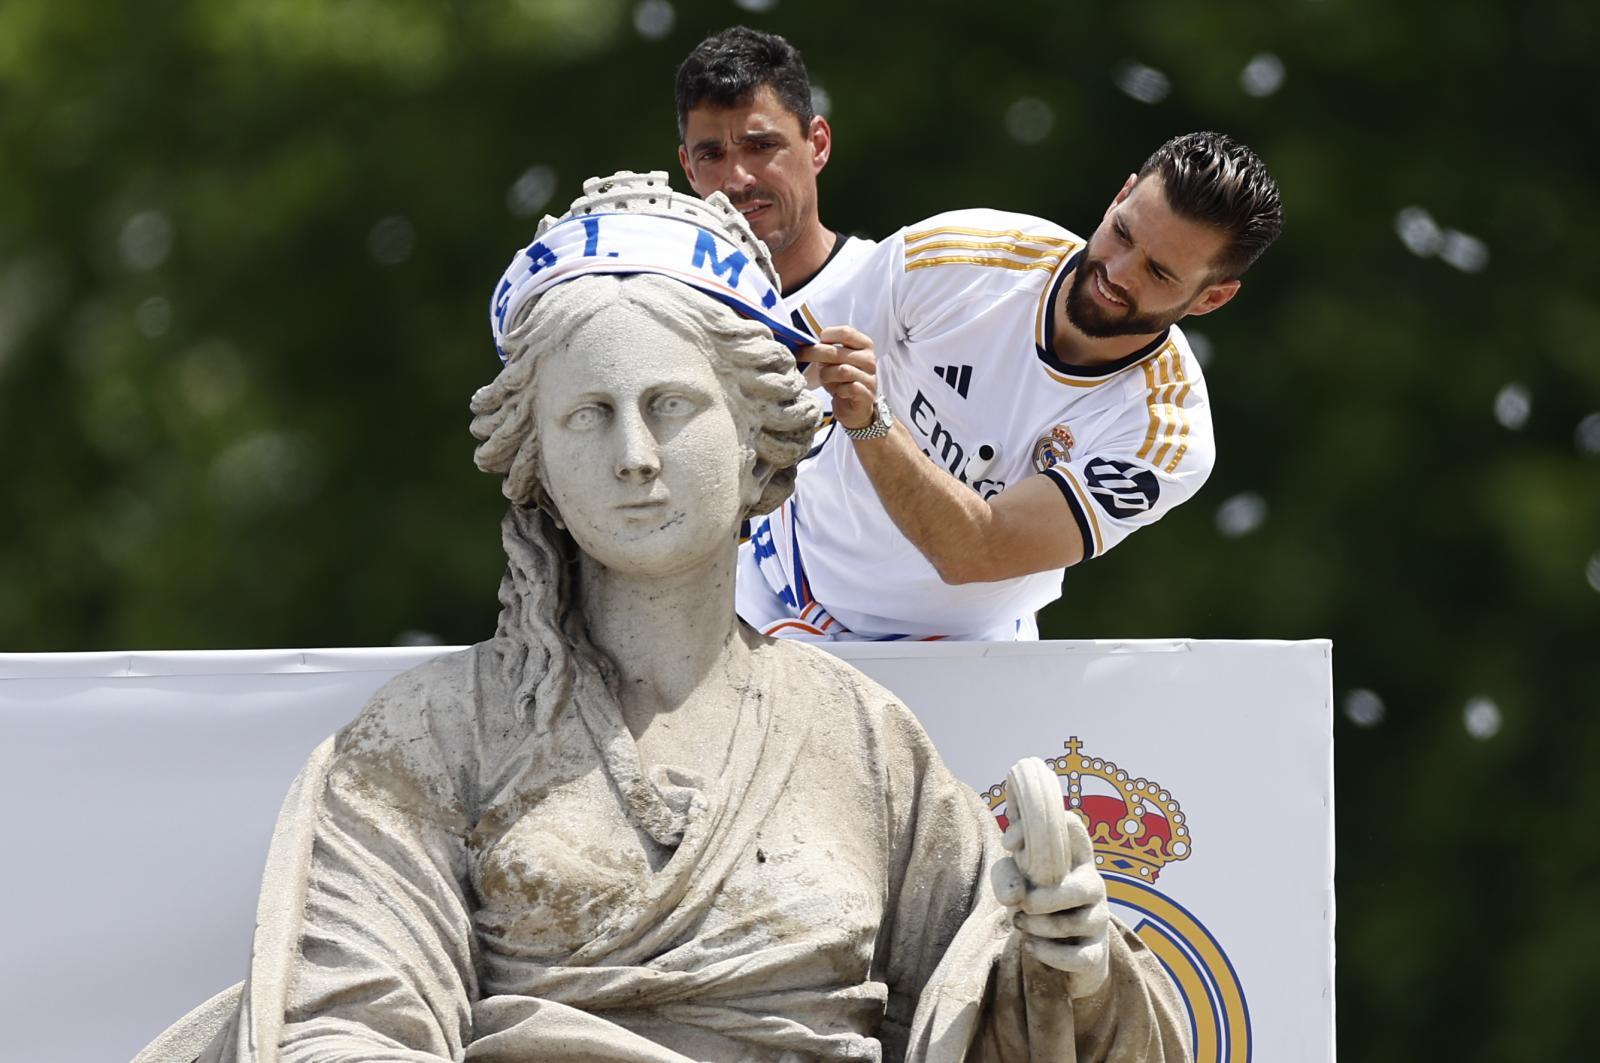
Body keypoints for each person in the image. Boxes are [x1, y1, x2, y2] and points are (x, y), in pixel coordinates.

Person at [170, 174, 1189, 1062]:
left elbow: (1004, 1022)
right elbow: (345, 1026)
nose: (634, 456)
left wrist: (1069, 968)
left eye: (670, 406)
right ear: (536, 463)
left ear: (758, 437)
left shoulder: (868, 747)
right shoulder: (427, 738)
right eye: (586, 414)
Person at [736, 131, 1284, 640]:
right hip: (770, 576)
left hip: (962, 659)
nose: (1118, 273)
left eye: (1160, 273)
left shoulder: (1168, 434)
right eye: (1122, 234)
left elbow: (974, 552)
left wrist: (872, 423)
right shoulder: (962, 253)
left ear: (1213, 298)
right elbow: (760, 365)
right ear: (1121, 196)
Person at [674, 26, 875, 323]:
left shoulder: (893, 290)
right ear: (689, 169)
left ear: (817, 144)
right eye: (712, 156)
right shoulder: (672, 317)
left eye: (762, 146)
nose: (738, 180)